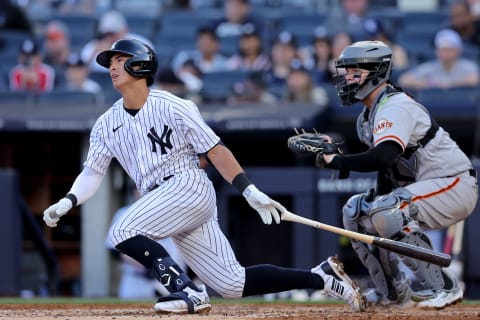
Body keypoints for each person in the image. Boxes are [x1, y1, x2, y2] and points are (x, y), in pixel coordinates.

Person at [42, 38, 366, 314]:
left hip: (187, 185)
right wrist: (69, 199)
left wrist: (248, 190)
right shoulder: (105, 123)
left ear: (140, 66)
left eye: (120, 59)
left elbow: (215, 149)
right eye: (110, 61)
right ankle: (321, 277)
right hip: (163, 199)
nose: (112, 66)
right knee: (233, 283)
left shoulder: (173, 106)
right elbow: (93, 172)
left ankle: (187, 292)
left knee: (123, 228)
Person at [311, 40, 478, 309]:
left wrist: (337, 161)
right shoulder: (367, 116)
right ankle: (392, 292)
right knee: (356, 211)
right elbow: (386, 170)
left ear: (376, 71)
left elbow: (384, 155)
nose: (347, 77)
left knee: (388, 208)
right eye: (346, 71)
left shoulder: (393, 105)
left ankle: (445, 286)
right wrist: (371, 212)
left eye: (355, 71)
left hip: (455, 184)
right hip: (426, 189)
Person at [397, 29, 479, 90]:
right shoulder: (429, 67)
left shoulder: (469, 66)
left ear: (458, 50)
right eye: (442, 49)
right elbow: (404, 80)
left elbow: (473, 80)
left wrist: (448, 84)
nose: (445, 53)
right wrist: (431, 83)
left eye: (449, 49)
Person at [81, 10, 153, 73]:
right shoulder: (92, 47)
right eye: (106, 34)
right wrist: (94, 54)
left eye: (113, 34)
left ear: (125, 30)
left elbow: (147, 70)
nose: (109, 38)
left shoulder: (141, 44)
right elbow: (80, 74)